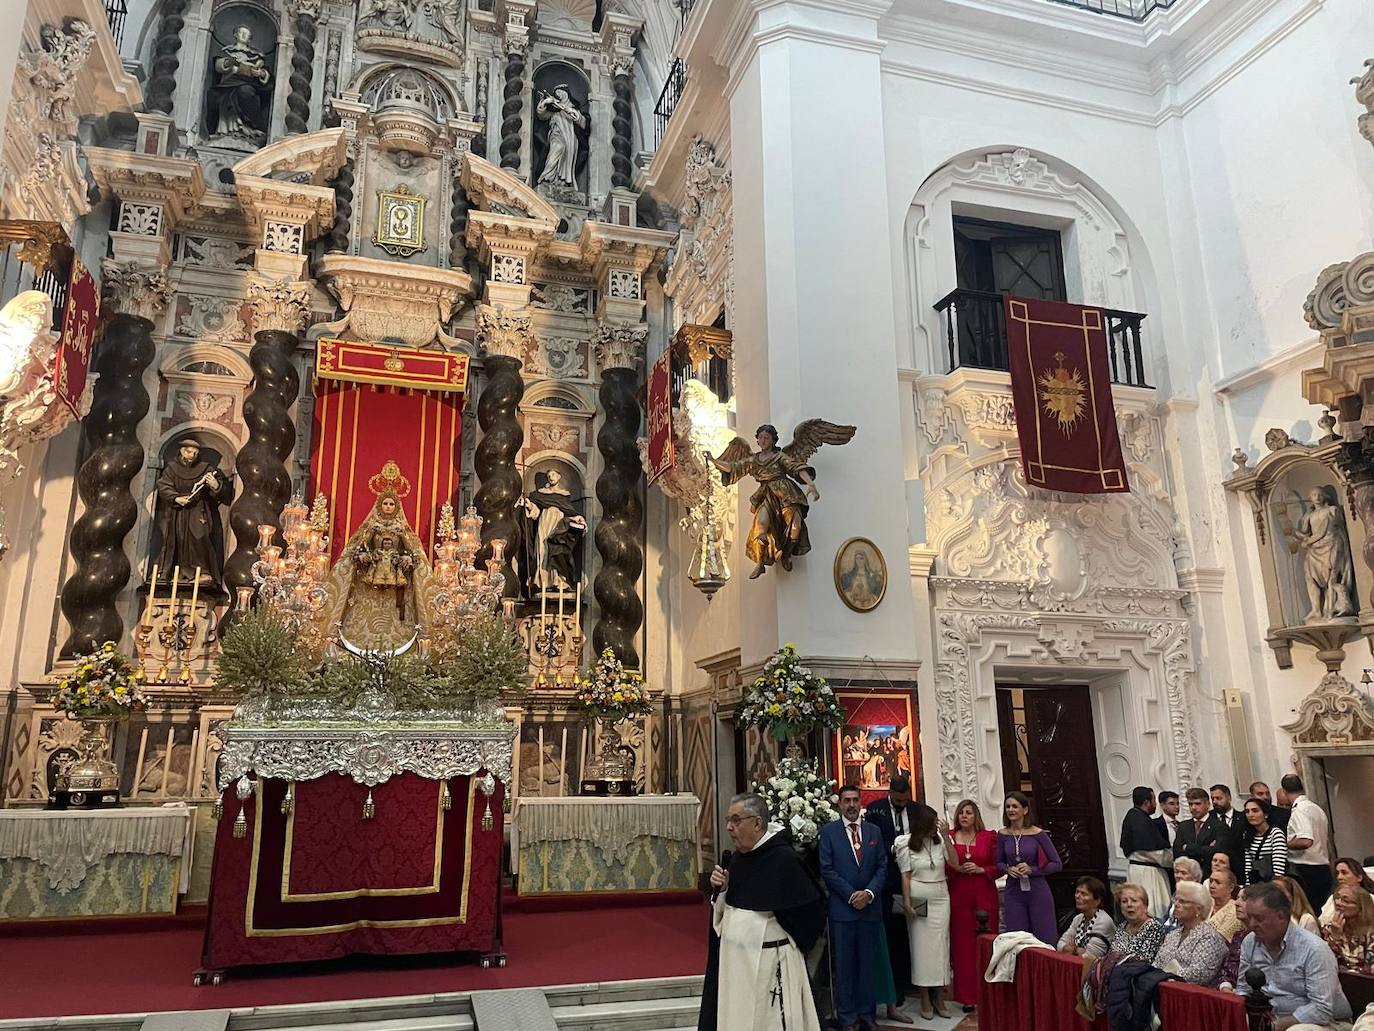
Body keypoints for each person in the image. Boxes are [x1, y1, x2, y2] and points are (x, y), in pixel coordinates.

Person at [700, 793, 825, 1031]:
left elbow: (811, 912)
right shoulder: (737, 859)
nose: (728, 827)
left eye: (736, 820)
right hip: (735, 965)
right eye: (728, 820)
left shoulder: (784, 860)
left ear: (757, 823)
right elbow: (727, 912)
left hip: (770, 966)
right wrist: (723, 890)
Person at [1239, 881, 1353, 1030]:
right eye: (1249, 917)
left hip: (1327, 1023)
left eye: (1259, 918)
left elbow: (1322, 1009)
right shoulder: (1250, 942)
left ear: (1281, 916)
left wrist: (1274, 1026)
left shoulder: (1314, 949)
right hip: (1268, 1017)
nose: (1252, 924)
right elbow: (1243, 989)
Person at [819, 785, 886, 1031]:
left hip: (869, 910)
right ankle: (847, 1017)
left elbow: (881, 867)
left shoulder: (874, 831)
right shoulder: (828, 832)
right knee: (845, 967)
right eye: (846, 800)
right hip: (843, 911)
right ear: (840, 804)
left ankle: (867, 1015)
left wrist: (868, 893)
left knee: (867, 965)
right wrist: (851, 895)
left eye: (855, 800)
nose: (851, 805)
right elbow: (827, 869)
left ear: (860, 802)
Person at [896, 803, 954, 1019]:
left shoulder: (939, 842)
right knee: (921, 950)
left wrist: (947, 837)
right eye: (931, 825)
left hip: (941, 896)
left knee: (941, 948)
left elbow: (955, 864)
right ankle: (924, 998)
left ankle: (939, 997)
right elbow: (905, 875)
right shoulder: (905, 844)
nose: (934, 828)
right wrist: (908, 902)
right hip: (919, 898)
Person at [864, 775, 915, 1017]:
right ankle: (896, 987)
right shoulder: (876, 810)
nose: (901, 803)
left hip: (914, 878)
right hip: (886, 882)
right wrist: (892, 847)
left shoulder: (917, 810)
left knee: (910, 935)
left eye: (905, 800)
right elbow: (871, 841)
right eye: (898, 799)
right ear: (891, 793)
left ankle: (911, 981)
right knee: (892, 935)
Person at [153, 438, 234, 588]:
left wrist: (215, 485)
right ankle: (169, 572)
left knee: (199, 536)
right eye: (189, 452)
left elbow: (224, 493)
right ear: (181, 451)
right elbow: (163, 485)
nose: (192, 455)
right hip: (175, 511)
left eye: (195, 453)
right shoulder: (171, 468)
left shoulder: (206, 469)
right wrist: (176, 498)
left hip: (199, 509)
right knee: (174, 538)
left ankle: (202, 572)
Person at [946, 798, 999, 1011]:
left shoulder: (989, 837)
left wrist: (982, 870)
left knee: (987, 944)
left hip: (984, 893)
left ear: (976, 816)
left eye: (968, 812)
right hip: (959, 895)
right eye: (961, 813)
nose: (964, 816)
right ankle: (967, 996)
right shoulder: (949, 837)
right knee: (962, 947)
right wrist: (957, 869)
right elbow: (944, 866)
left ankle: (989, 994)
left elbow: (999, 866)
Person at [996, 791, 1062, 945]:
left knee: (1044, 937)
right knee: (1017, 939)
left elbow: (1056, 863)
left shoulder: (1037, 834)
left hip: (1037, 890)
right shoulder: (1002, 834)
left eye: (1015, 806)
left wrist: (1032, 870)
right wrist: (1008, 869)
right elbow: (999, 862)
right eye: (1007, 807)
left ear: (1025, 810)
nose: (1010, 810)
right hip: (1013, 890)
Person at [1154, 881, 1229, 986]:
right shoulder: (1172, 935)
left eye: (1183, 901)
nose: (1176, 904)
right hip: (1163, 990)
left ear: (1198, 909)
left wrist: (1163, 976)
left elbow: (1199, 975)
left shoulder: (1209, 937)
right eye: (1176, 900)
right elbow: (1157, 963)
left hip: (1193, 997)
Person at [1280, 774, 1334, 912]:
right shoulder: (1317, 809)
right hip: (1322, 867)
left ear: (1284, 792)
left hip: (1306, 870)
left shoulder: (1300, 811)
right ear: (1302, 787)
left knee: (1307, 913)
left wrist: (1284, 843)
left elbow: (1306, 840)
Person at [1121, 786, 1173, 918]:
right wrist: (1177, 857)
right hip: (1149, 875)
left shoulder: (1132, 816)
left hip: (1136, 872)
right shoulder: (1142, 821)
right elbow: (1158, 855)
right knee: (1153, 912)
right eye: (1154, 800)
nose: (1155, 804)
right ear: (1147, 802)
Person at [1176, 787, 1231, 877]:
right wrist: (1205, 848)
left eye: (1198, 804)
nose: (1193, 807)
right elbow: (1177, 852)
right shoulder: (1183, 826)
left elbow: (1217, 851)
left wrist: (1187, 847)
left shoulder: (1219, 826)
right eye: (1190, 804)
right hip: (1187, 876)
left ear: (1208, 804)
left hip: (1209, 875)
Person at [1058, 876, 1116, 960]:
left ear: (1097, 900)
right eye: (1077, 892)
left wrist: (1070, 949)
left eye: (1083, 894)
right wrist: (1077, 950)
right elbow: (1060, 945)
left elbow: (1090, 956)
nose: (1078, 896)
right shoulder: (1078, 918)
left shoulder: (1104, 921)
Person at [1322, 883, 1374, 974]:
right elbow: (1324, 964)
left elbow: (1370, 970)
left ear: (1361, 907)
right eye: (1337, 898)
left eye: (1345, 901)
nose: (1338, 903)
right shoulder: (1330, 928)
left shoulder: (1371, 932)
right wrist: (1335, 937)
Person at [1109, 883, 1167, 962]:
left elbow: (1145, 962)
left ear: (1145, 905)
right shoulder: (1122, 926)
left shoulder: (1154, 928)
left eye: (1134, 901)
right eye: (1124, 901)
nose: (1129, 905)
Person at [1242, 795, 1290, 886]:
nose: (1250, 815)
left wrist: (1275, 888)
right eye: (1247, 811)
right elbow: (1248, 865)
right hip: (1257, 883)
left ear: (1266, 814)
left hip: (1273, 883)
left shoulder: (1276, 833)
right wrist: (1248, 886)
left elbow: (1279, 868)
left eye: (1255, 811)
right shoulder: (1248, 834)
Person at [1320, 858, 1374, 925]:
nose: (1339, 877)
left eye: (1344, 873)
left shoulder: (1371, 899)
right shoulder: (1332, 899)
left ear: (1359, 878)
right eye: (1337, 873)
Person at [1162, 856, 1204, 933]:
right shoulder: (1176, 894)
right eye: (1177, 872)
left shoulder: (1198, 898)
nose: (1178, 876)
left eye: (1183, 873)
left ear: (1195, 878)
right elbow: (1166, 918)